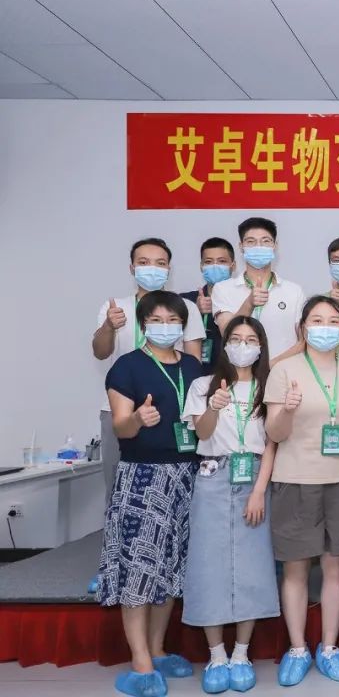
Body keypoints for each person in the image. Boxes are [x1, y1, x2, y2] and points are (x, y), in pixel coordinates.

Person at [99, 290, 204, 697]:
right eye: (157, 320)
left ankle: (158, 650)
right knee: (139, 569)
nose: (165, 326)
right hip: (143, 479)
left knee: (171, 570)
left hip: (187, 477)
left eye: (173, 320)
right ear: (143, 325)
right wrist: (138, 420)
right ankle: (141, 663)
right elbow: (120, 427)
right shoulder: (127, 367)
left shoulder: (193, 367)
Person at [264, 296, 339, 686]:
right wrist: (287, 409)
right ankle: (297, 648)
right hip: (295, 478)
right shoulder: (283, 369)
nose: (325, 327)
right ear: (303, 327)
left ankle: (328, 647)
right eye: (317, 320)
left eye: (333, 320)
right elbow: (274, 434)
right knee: (295, 569)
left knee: (335, 566)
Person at [181, 316, 280, 694]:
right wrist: (213, 407)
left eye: (251, 339)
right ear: (224, 345)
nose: (243, 345)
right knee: (209, 565)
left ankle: (241, 653)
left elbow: (271, 444)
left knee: (252, 565)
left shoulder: (267, 387)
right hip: (212, 476)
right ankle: (216, 655)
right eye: (236, 339)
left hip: (254, 477)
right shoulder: (203, 385)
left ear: (261, 346)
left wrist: (259, 490)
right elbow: (202, 432)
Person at [92, 239, 205, 513]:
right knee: (119, 485)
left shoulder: (185, 307)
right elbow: (100, 352)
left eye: (160, 263)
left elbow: (194, 362)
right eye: (143, 262)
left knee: (182, 493)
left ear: (168, 269)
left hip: (173, 405)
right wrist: (109, 326)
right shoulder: (116, 307)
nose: (152, 268)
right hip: (121, 407)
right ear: (132, 267)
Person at [211, 217, 305, 364]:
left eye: (265, 241)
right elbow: (226, 333)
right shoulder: (223, 289)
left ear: (275, 246)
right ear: (241, 246)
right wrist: (249, 304)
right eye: (251, 242)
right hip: (239, 372)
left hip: (282, 372)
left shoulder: (294, 291)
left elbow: (303, 342)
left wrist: (271, 367)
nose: (258, 247)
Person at [180, 237, 235, 376]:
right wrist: (194, 311)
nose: (215, 266)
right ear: (201, 266)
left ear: (233, 266)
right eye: (208, 262)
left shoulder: (245, 299)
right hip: (196, 377)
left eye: (222, 261)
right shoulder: (185, 300)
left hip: (234, 374)